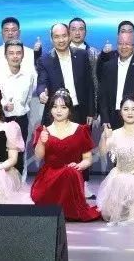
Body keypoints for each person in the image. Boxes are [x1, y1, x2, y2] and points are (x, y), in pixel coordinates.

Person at [36, 23, 97, 195]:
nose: (61, 40)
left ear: (69, 35)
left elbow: (89, 85)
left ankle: (83, 184)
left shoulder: (82, 55)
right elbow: (42, 81)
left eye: (64, 35)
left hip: (79, 110)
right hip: (57, 112)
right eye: (57, 37)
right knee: (55, 152)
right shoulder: (45, 60)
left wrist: (91, 110)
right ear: (51, 39)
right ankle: (54, 184)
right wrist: (41, 93)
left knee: (81, 150)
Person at [30, 89, 101, 222]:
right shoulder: (44, 130)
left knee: (69, 172)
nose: (59, 111)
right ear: (50, 109)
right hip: (50, 177)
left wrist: (79, 166)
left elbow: (88, 159)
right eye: (55, 107)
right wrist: (41, 141)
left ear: (69, 109)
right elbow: (39, 157)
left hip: (72, 175)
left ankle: (70, 209)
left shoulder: (80, 130)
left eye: (63, 107)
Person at [96, 96, 134, 225]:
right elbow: (102, 152)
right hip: (119, 176)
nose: (130, 112)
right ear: (121, 112)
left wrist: (132, 174)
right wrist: (103, 137)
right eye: (126, 109)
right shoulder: (115, 134)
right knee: (112, 211)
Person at [0, 40, 37, 176]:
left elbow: (29, 96)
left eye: (18, 53)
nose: (15, 56)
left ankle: (18, 185)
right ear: (5, 55)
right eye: (11, 53)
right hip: (1, 120)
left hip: (21, 119)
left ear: (23, 55)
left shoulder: (29, 74)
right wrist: (4, 105)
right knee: (1, 154)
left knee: (19, 155)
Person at [97, 31, 134, 129]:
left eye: (127, 44)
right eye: (120, 44)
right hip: (112, 118)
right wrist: (105, 118)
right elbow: (103, 94)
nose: (123, 47)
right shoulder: (108, 65)